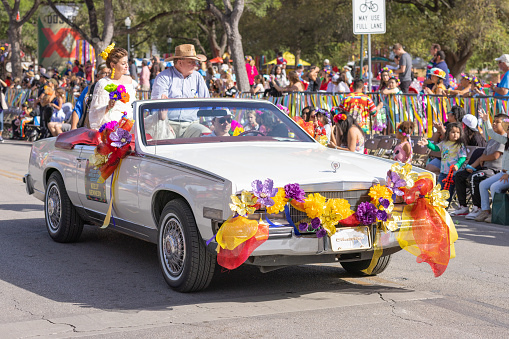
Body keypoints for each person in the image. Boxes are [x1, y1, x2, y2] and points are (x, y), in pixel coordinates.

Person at [451, 113, 506, 218]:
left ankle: (478, 207)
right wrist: (471, 166)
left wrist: (482, 159)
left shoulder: (503, 139)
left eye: (497, 122)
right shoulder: (492, 140)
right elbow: (483, 155)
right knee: (460, 175)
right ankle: (463, 206)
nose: (494, 124)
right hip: (485, 168)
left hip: (495, 171)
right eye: (493, 121)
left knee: (474, 177)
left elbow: (495, 156)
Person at [88, 45, 138, 130]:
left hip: (131, 125)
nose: (127, 66)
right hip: (111, 128)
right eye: (123, 63)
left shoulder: (129, 81)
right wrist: (108, 107)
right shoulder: (102, 84)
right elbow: (94, 113)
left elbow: (132, 106)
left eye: (127, 62)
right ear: (113, 65)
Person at [473, 109, 509, 222]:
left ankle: (497, 213)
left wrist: (508, 173)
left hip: (507, 174)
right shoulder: (505, 140)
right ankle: (486, 211)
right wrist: (486, 120)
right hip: (503, 173)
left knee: (494, 187)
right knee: (483, 184)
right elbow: (491, 134)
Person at [419, 122, 467, 202]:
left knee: (448, 192)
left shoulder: (459, 145)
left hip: (453, 174)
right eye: (453, 132)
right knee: (440, 190)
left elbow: (463, 158)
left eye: (458, 132)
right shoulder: (444, 143)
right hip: (443, 172)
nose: (455, 134)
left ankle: (445, 207)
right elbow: (436, 148)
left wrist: (457, 165)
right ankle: (440, 205)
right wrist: (428, 143)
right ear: (448, 133)